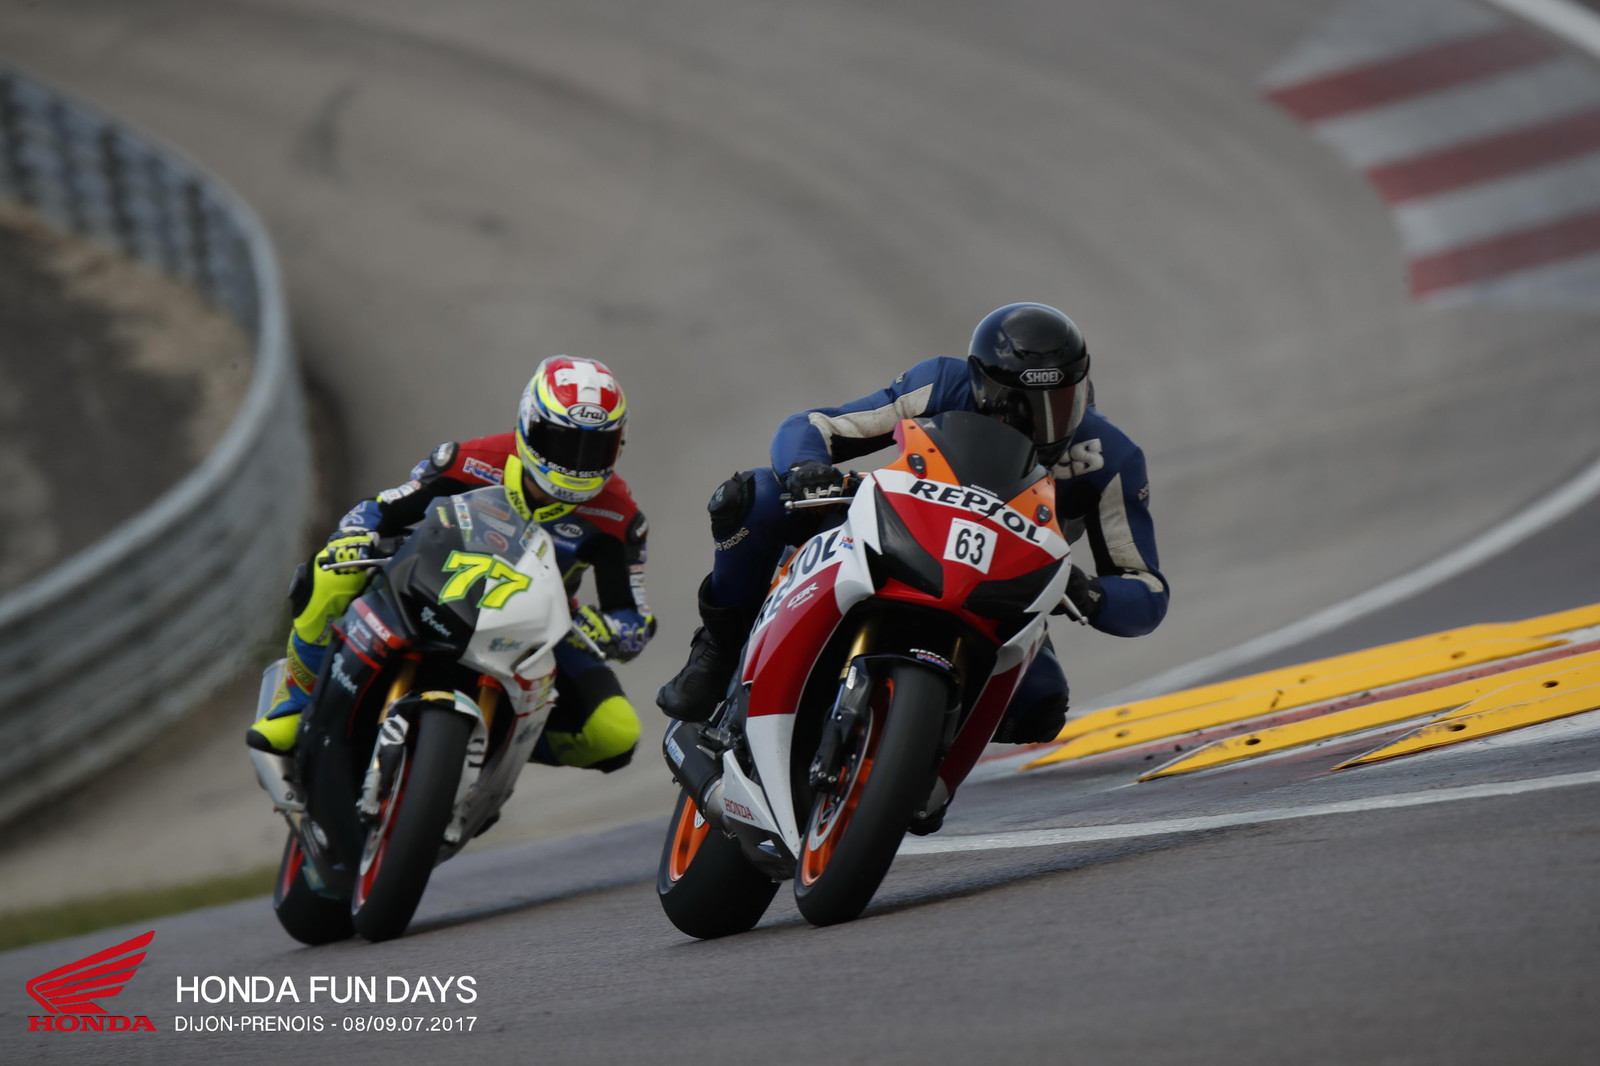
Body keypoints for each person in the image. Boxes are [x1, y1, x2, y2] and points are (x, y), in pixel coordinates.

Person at [656, 302, 1169, 752]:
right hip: (900, 529)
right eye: (1019, 405)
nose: (1041, 424)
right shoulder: (942, 383)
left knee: (1039, 707)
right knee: (756, 497)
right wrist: (805, 469)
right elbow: (815, 425)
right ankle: (720, 647)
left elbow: (1145, 587)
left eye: (1060, 404)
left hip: (1001, 587)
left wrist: (1089, 593)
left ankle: (916, 765)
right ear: (981, 386)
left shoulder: (1111, 457)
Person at [248, 355, 654, 773]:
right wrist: (355, 535)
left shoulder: (620, 517)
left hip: (537, 627)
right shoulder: (470, 459)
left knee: (615, 734)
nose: (576, 463)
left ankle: (504, 744)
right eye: (563, 443)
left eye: (595, 448)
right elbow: (380, 509)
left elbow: (634, 617)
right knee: (329, 571)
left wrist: (609, 630)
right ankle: (294, 706)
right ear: (529, 424)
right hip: (433, 582)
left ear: (618, 445)